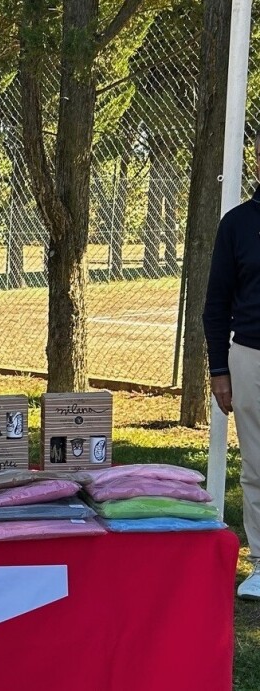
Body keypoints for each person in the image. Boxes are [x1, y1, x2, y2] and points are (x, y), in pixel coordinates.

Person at [204, 130, 260, 601]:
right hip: (250, 359)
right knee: (257, 467)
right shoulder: (237, 224)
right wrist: (219, 368)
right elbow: (216, 304)